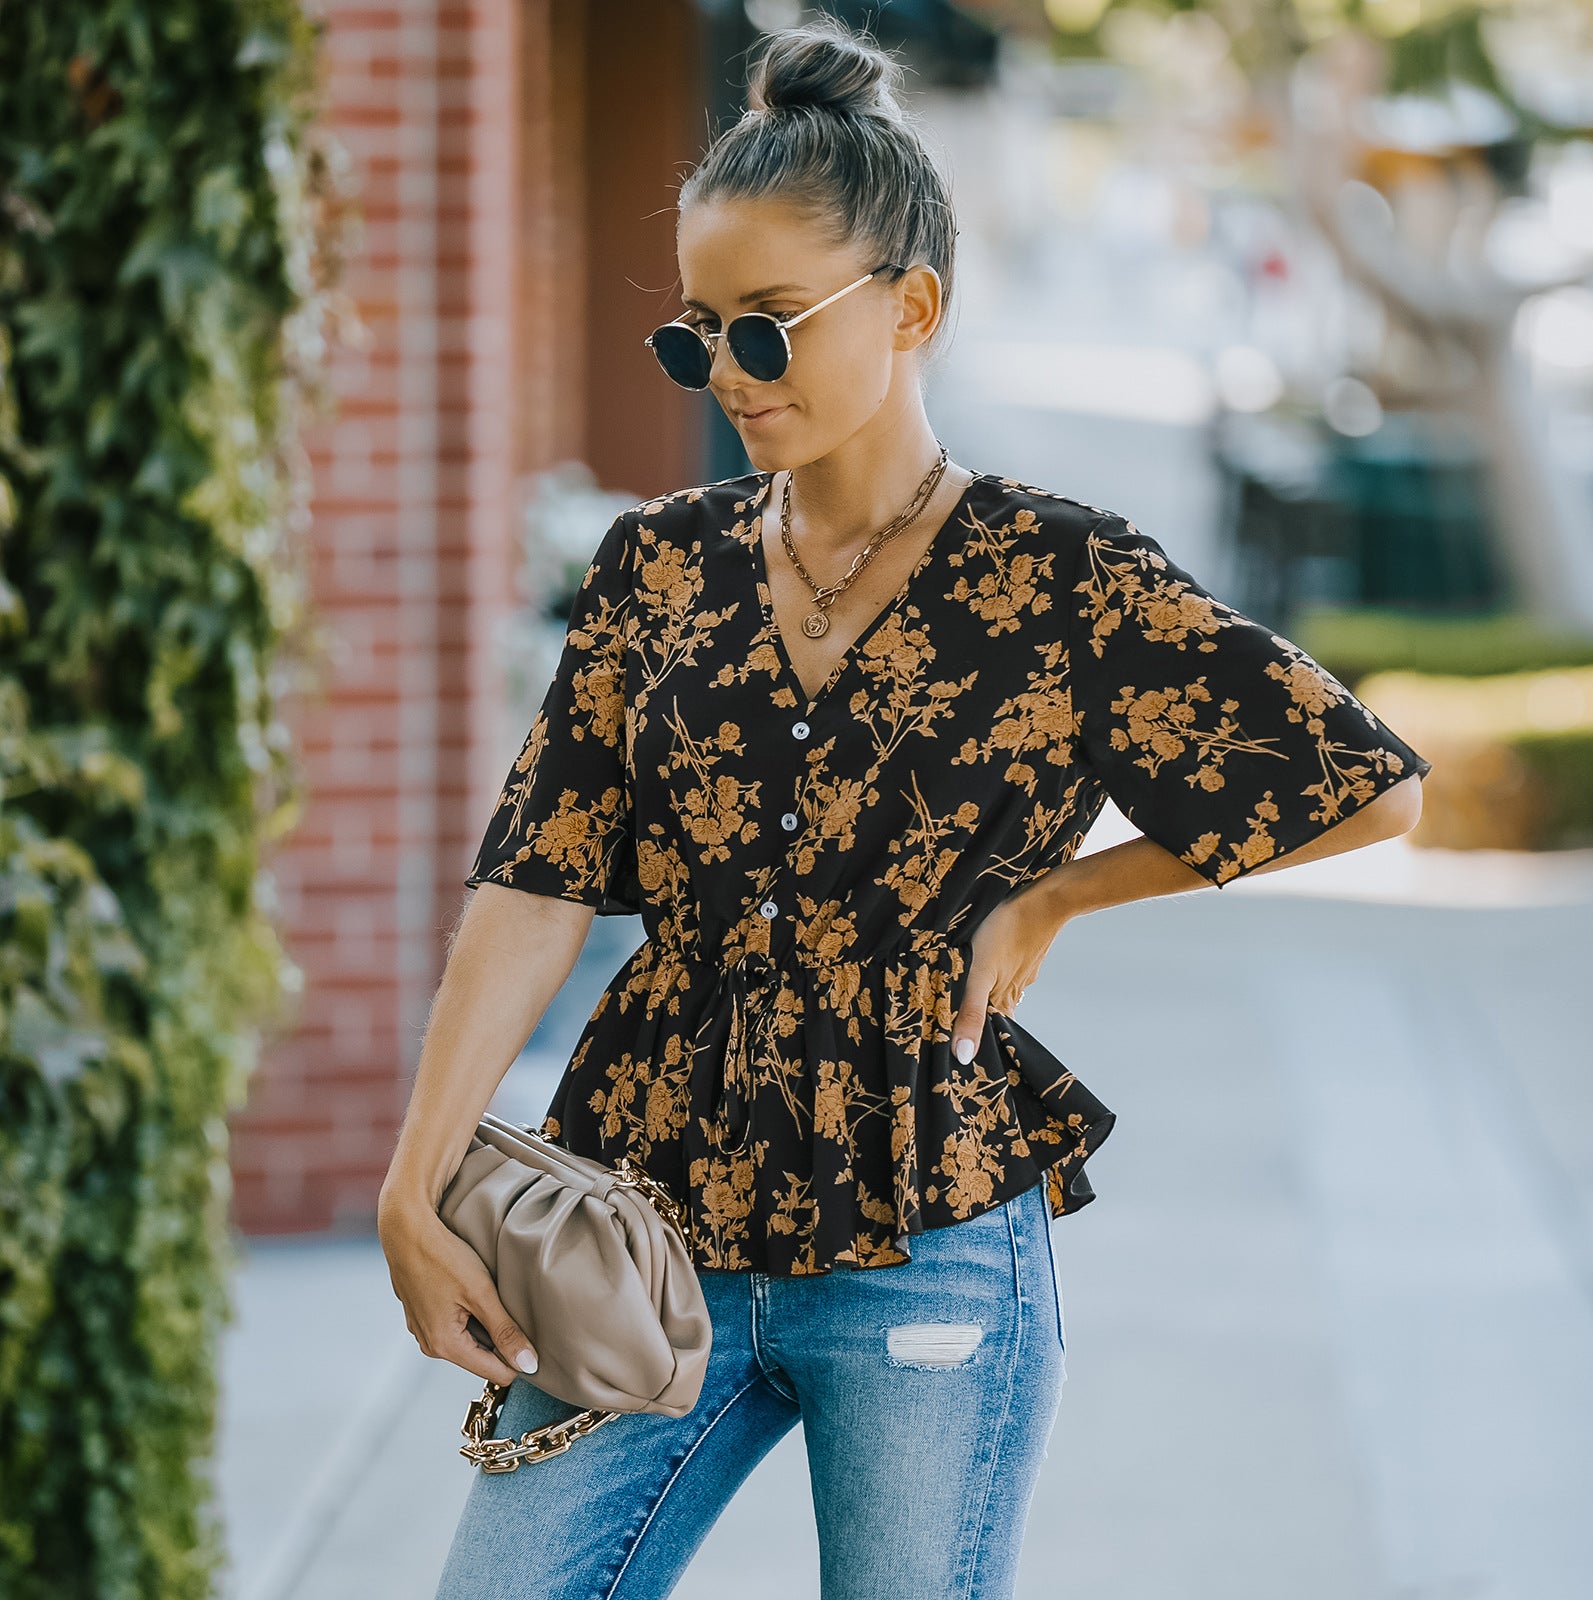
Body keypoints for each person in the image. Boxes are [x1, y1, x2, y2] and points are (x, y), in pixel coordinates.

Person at [378, 17, 1432, 1600]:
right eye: (697, 337)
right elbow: (538, 878)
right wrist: (418, 1174)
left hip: (929, 1238)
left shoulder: (1059, 578)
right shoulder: (656, 567)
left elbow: (1367, 788)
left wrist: (1061, 893)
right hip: (644, 1231)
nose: (727, 374)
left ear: (912, 307)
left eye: (768, 332)